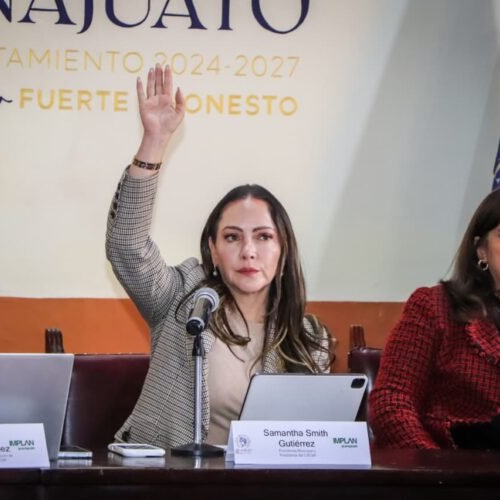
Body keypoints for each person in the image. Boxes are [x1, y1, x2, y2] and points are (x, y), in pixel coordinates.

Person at [106, 65, 334, 448]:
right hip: (167, 475)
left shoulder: (309, 338)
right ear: (212, 249)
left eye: (264, 237)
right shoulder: (181, 300)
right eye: (232, 237)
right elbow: (126, 247)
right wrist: (154, 141)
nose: (248, 251)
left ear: (283, 250)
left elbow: (313, 441)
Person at [368, 183, 500, 450]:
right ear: (481, 249)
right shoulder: (436, 308)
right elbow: (391, 401)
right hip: (457, 473)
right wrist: (434, 466)